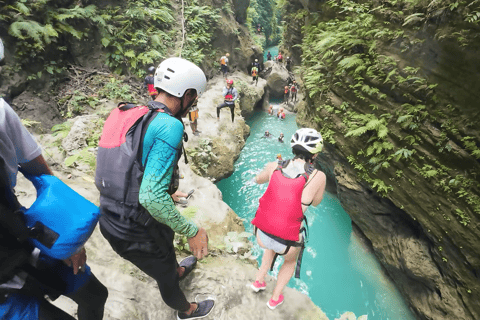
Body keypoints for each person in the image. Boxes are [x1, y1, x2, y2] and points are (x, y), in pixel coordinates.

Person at [95, 57, 214, 320]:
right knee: (165, 278)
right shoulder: (169, 125)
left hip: (112, 218)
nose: (193, 103)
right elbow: (150, 196)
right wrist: (192, 230)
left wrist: (167, 193)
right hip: (135, 230)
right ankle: (186, 310)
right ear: (188, 94)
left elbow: (126, 163)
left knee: (165, 247)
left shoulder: (128, 112)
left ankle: (175, 271)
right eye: (194, 97)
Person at [0, 37, 108, 320]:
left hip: (16, 234)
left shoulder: (1, 115)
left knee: (95, 294)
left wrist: (66, 238)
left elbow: (39, 174)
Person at [249, 128, 326, 310]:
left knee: (273, 238)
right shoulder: (318, 176)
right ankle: (275, 298)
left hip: (261, 232)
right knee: (290, 260)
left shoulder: (275, 165)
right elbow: (316, 203)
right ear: (314, 155)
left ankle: (259, 281)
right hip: (287, 242)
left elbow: (258, 180)